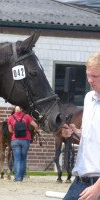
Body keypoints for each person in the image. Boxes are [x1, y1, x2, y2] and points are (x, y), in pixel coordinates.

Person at [62, 52, 100, 200]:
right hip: (80, 180)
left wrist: (97, 188)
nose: (90, 80)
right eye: (88, 75)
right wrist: (74, 132)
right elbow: (89, 135)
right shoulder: (88, 98)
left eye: (95, 76)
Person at [7, 106, 39, 182]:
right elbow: (36, 126)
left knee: (17, 159)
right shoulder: (27, 116)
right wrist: (35, 131)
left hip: (15, 140)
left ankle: (17, 178)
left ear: (14, 109)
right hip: (25, 140)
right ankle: (21, 177)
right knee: (23, 159)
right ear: (22, 109)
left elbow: (10, 130)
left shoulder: (10, 118)